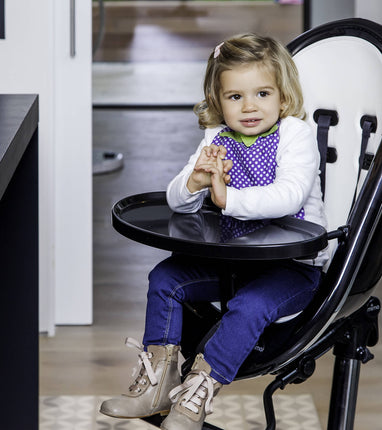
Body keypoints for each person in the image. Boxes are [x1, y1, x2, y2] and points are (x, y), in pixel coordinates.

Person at [100, 33, 329, 430]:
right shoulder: (217, 136)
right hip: (232, 261)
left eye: (262, 93)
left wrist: (228, 199)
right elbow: (177, 200)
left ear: (283, 96)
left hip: (294, 268)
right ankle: (157, 382)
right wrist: (196, 181)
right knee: (166, 278)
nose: (250, 106)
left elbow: (289, 196)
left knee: (251, 304)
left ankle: (197, 394)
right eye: (235, 97)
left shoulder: (295, 136)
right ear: (218, 101)